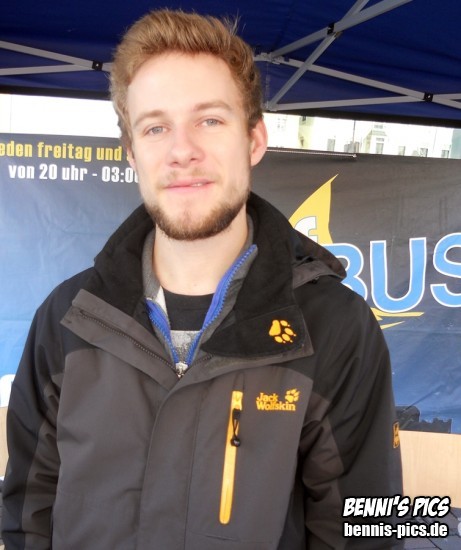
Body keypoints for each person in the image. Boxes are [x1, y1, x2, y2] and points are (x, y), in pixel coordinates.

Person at [2, 9, 403, 549]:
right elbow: (26, 514)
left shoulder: (337, 327)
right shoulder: (68, 317)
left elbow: (374, 530)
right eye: (156, 127)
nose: (182, 150)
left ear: (254, 140)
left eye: (209, 120)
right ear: (132, 152)